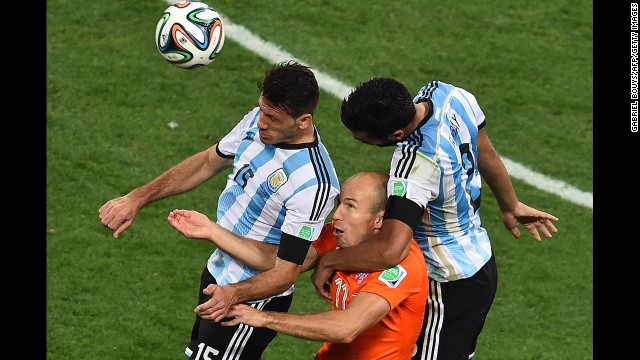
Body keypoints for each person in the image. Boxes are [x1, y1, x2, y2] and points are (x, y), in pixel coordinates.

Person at [99, 60, 340, 360]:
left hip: (250, 300)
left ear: (303, 121)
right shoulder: (256, 122)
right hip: (217, 274)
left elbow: (285, 272)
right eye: (262, 110)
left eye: (273, 117)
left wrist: (234, 293)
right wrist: (137, 198)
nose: (262, 122)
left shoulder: (313, 184)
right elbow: (206, 162)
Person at [311, 78, 559, 360]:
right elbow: (485, 150)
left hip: (447, 282)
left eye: (362, 138)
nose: (358, 140)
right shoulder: (448, 94)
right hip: (478, 259)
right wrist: (510, 204)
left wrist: (330, 261)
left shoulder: (415, 166)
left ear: (396, 134)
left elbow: (391, 249)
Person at [168, 171, 429, 360]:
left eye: (350, 206)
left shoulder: (403, 266)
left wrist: (262, 317)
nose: (336, 214)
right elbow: (280, 261)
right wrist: (213, 231)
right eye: (340, 204)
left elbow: (346, 327)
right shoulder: (338, 236)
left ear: (378, 221)